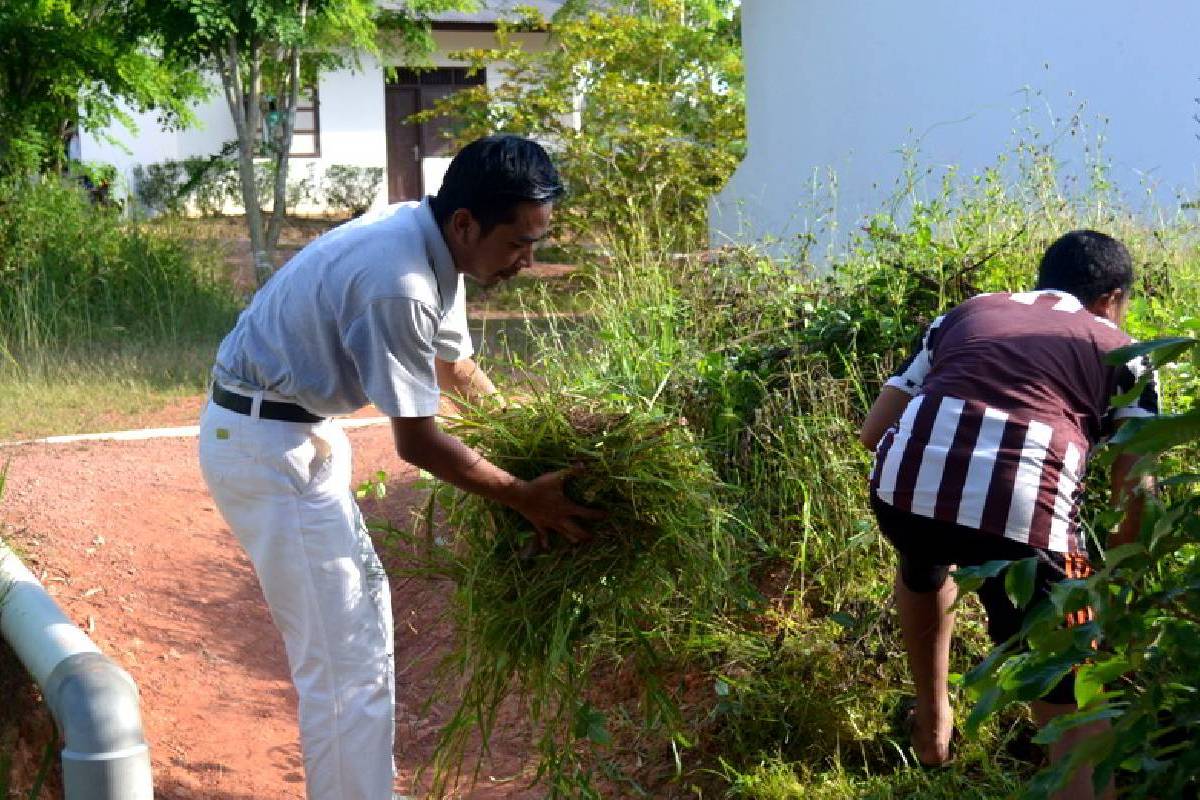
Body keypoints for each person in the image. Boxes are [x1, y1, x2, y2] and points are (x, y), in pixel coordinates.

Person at [197, 135, 602, 800]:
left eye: (538, 242)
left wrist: (524, 432)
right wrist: (526, 495)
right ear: (467, 223)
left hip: (296, 431)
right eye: (518, 244)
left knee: (360, 638)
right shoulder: (400, 282)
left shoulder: (435, 239)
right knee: (344, 666)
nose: (529, 261)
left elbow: (454, 367)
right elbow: (417, 443)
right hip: (265, 450)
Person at [859, 230, 1159, 800]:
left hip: (900, 492)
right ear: (1112, 299)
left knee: (923, 559)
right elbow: (1136, 490)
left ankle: (933, 724)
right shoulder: (1124, 350)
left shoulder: (968, 313)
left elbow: (873, 432)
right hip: (1025, 516)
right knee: (1074, 702)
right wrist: (1110, 584)